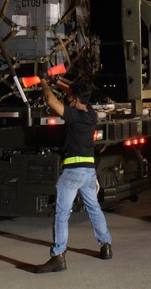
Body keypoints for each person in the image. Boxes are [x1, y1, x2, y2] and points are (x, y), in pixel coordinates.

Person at [32, 77, 112, 273]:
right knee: (94, 208)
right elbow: (75, 93)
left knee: (61, 214)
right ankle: (106, 245)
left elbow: (51, 102)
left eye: (71, 96)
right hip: (89, 172)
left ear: (75, 98)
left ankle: (58, 256)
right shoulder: (90, 113)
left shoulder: (74, 116)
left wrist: (42, 83)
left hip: (72, 174)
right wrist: (56, 81)